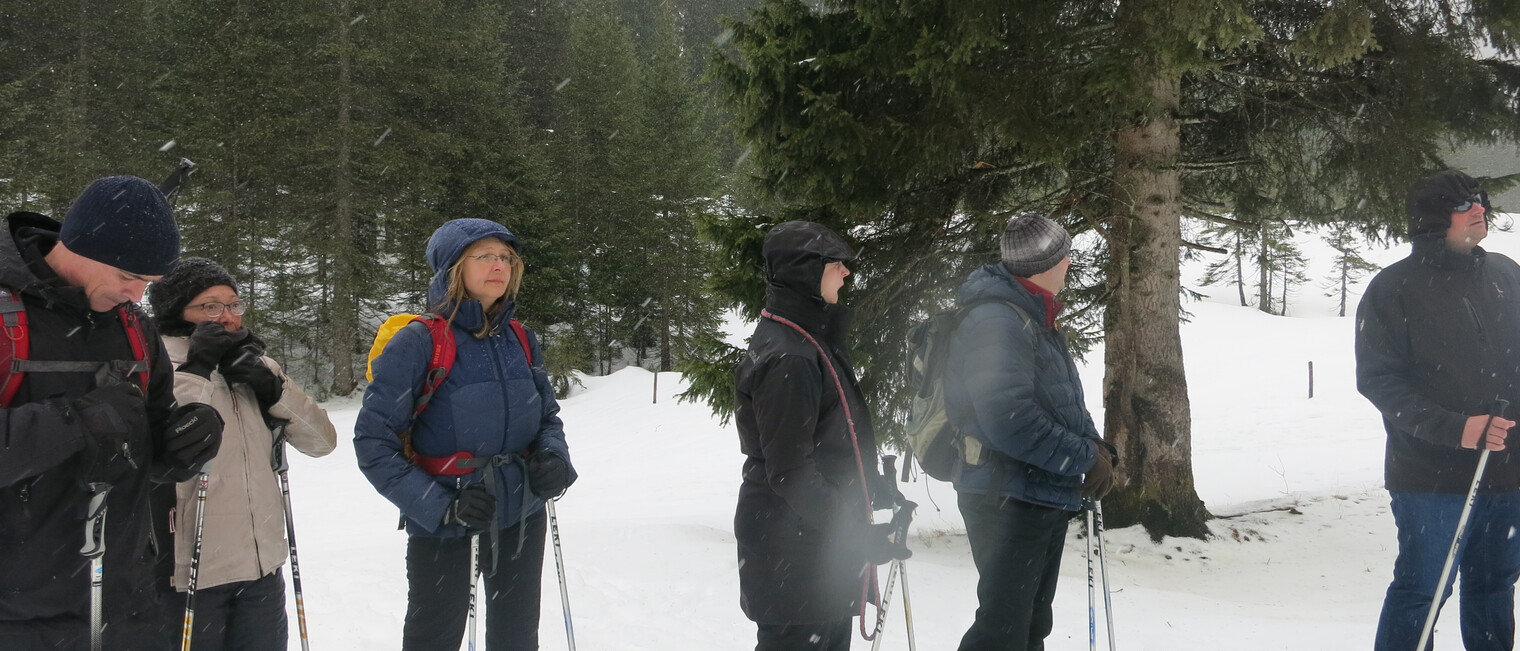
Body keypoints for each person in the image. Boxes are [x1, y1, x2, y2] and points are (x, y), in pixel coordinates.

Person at [0, 175, 224, 649]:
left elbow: (144, 445)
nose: (137, 294)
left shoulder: (135, 330)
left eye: (148, 283)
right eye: (129, 277)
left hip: (125, 604)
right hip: (18, 616)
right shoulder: (7, 317)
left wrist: (182, 444)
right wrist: (75, 423)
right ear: (81, 246)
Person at [355, 218, 575, 650]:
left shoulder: (521, 339)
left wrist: (554, 458)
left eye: (506, 257)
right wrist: (442, 507)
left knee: (516, 637)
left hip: (522, 514)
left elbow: (548, 418)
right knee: (433, 639)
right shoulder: (419, 342)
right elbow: (373, 443)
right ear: (454, 267)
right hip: (446, 525)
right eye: (485, 256)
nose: (500, 265)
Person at [1358, 170, 1520, 651]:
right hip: (1430, 477)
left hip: (1508, 472)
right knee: (1422, 593)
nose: (1479, 209)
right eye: (1463, 204)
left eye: (1480, 200)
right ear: (1432, 219)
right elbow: (1379, 381)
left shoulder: (1507, 273)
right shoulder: (1393, 289)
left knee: (1493, 589)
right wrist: (1458, 429)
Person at [733, 220, 911, 651]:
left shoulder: (809, 341)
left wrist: (870, 487)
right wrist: (854, 530)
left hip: (813, 548)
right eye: (836, 264)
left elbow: (830, 439)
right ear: (805, 272)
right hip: (792, 555)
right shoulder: (790, 357)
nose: (846, 274)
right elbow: (791, 472)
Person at [145, 257, 338, 650]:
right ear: (176, 312)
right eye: (210, 306)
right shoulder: (155, 366)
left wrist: (273, 390)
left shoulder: (255, 365)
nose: (228, 317)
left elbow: (322, 441)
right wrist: (198, 368)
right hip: (191, 571)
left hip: (262, 567)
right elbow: (166, 443)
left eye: (233, 304)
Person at [945, 212, 1114, 651]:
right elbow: (1008, 418)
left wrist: (1094, 447)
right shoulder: (999, 321)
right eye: (1065, 255)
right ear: (1047, 264)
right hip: (1007, 497)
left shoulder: (1030, 312)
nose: (1071, 262)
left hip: (1034, 492)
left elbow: (1059, 400)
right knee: (1002, 631)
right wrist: (1081, 457)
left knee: (1028, 626)